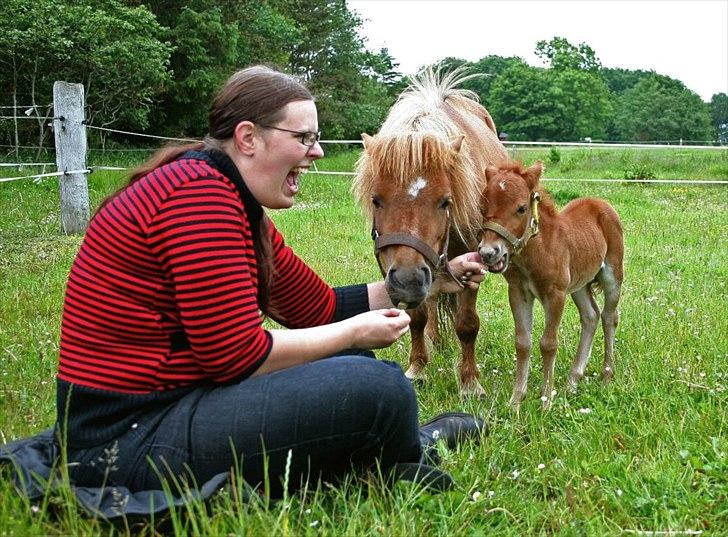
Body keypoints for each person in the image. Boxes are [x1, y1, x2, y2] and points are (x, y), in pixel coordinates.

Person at [50, 65, 489, 501]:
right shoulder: (197, 200)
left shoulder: (230, 198)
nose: (316, 153)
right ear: (247, 138)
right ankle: (405, 448)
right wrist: (354, 331)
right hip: (127, 437)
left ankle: (383, 443)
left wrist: (435, 281)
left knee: (356, 359)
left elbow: (316, 308)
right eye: (304, 139)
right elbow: (236, 358)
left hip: (170, 404)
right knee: (381, 387)